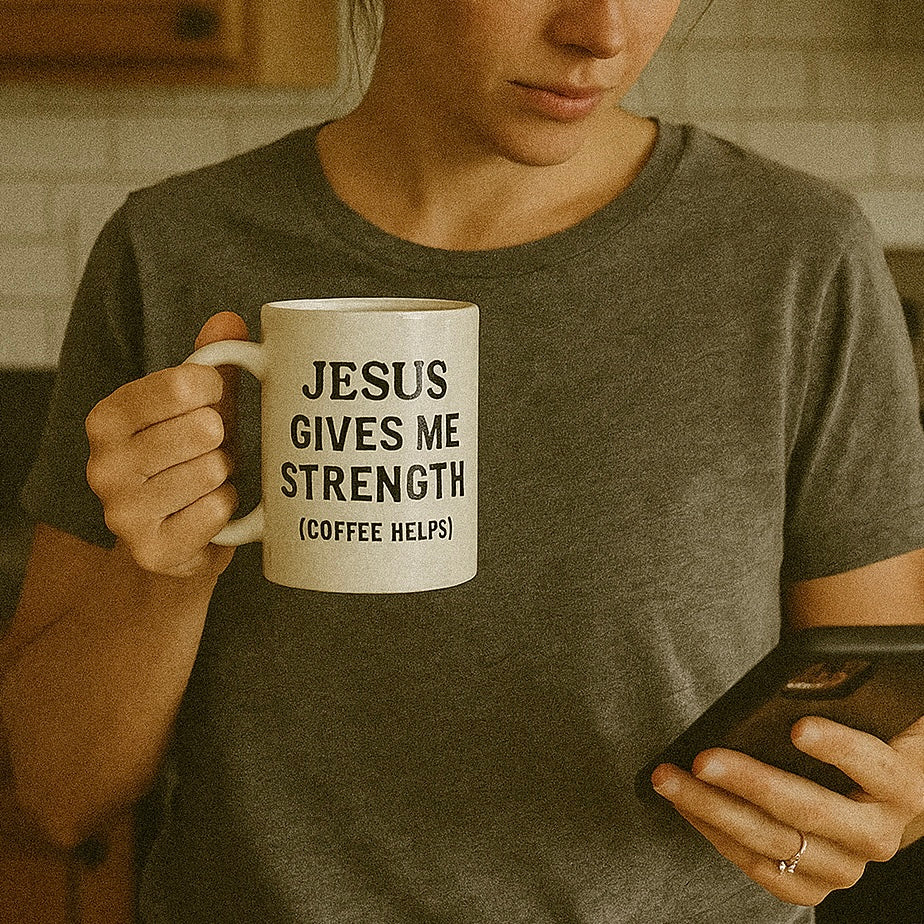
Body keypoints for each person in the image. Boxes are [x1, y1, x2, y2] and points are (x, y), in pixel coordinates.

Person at [2, 0, 924, 921]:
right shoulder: (175, 250)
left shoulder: (797, 254)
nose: (601, 34)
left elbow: (877, 709)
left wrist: (881, 797)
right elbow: (56, 793)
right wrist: (162, 574)